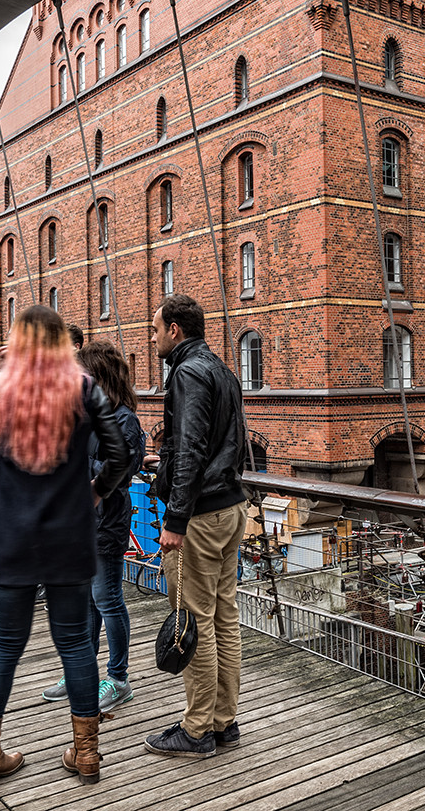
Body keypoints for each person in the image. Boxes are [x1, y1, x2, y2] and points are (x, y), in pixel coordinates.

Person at [0, 305, 132, 786]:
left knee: (5, 643)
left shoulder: (2, 386)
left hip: (12, 536)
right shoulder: (83, 388)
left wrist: (0, 370)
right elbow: (121, 453)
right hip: (69, 535)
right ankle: (87, 753)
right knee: (74, 643)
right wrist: (96, 492)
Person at [144, 294, 251, 759]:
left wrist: (175, 518)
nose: (151, 339)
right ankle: (224, 722)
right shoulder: (223, 371)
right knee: (224, 618)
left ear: (174, 330)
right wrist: (164, 463)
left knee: (193, 620)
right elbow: (218, 444)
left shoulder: (185, 373)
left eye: (155, 330)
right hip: (231, 509)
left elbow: (189, 450)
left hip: (200, 518)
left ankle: (196, 729)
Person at [41, 339, 144, 711]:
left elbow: (116, 472)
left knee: (107, 600)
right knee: (85, 603)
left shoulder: (124, 421)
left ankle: (118, 678)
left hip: (105, 522)